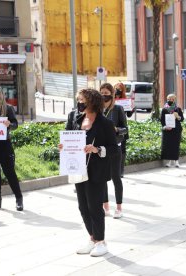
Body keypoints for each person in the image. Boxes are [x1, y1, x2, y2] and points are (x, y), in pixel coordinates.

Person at [60, 88, 118, 257]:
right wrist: (63, 147)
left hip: (97, 171)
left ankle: (101, 242)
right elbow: (68, 138)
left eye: (82, 100)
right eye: (78, 99)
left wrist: (97, 149)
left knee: (94, 206)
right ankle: (92, 238)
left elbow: (114, 149)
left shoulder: (105, 123)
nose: (79, 103)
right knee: (83, 206)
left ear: (92, 102)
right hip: (78, 169)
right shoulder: (75, 119)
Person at [0, 85, 23, 211]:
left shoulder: (8, 109)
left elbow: (15, 124)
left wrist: (9, 124)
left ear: (1, 94)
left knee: (9, 172)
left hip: (4, 145)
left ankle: (18, 198)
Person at [100, 83, 128, 218]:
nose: (104, 95)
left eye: (106, 93)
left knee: (116, 177)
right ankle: (106, 207)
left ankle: (119, 207)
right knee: (103, 178)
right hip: (100, 149)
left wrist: (117, 129)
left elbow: (125, 129)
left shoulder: (118, 109)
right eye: (101, 93)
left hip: (115, 147)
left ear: (111, 94)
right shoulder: (97, 110)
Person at [161, 94, 184, 167]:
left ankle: (176, 161)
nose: (170, 100)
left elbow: (182, 119)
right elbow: (162, 120)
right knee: (169, 145)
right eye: (169, 99)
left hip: (176, 130)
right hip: (168, 130)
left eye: (172, 99)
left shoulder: (178, 109)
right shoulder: (164, 109)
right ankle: (169, 161)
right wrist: (165, 127)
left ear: (174, 100)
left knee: (176, 145)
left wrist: (178, 117)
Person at [114, 82, 130, 177]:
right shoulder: (110, 99)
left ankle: (121, 171)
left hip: (121, 127)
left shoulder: (125, 100)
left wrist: (131, 108)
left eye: (120, 88)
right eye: (116, 88)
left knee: (122, 150)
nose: (117, 89)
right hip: (111, 126)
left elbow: (129, 115)